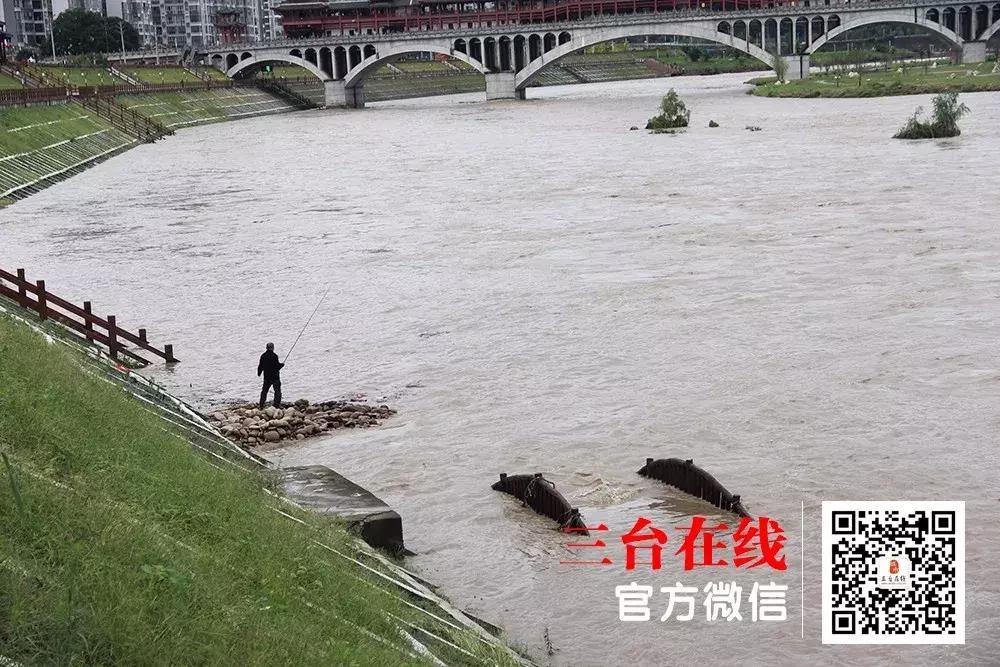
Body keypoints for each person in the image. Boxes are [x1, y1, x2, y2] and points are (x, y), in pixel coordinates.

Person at [257, 342, 284, 409]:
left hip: (267, 377)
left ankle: (261, 404)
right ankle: (276, 405)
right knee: (277, 391)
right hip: (275, 377)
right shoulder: (274, 356)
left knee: (264, 391)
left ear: (266, 348)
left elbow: (260, 366)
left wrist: (259, 373)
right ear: (273, 348)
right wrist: (282, 365)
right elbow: (276, 366)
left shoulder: (263, 356)